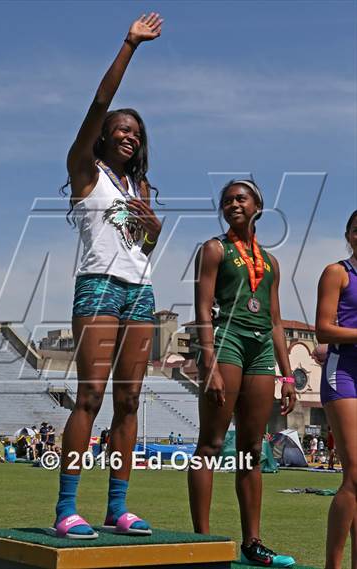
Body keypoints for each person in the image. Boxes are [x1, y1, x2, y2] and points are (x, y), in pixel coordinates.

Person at [52, 14, 163, 540]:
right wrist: (129, 45)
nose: (126, 134)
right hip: (98, 287)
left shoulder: (136, 188)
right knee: (90, 396)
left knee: (130, 401)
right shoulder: (85, 170)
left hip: (140, 292)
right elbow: (98, 104)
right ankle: (66, 507)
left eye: (134, 132)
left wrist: (153, 227)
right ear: (102, 137)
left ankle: (118, 506)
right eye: (120, 129)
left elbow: (142, 247)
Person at [189, 179, 296, 567]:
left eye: (241, 198)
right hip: (228, 338)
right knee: (212, 445)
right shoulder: (214, 249)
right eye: (227, 200)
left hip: (260, 347)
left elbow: (276, 322)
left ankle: (253, 542)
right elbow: (202, 307)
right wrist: (210, 361)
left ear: (258, 208)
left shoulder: (271, 262)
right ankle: (200, 544)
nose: (233, 203)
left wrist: (287, 377)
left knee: (253, 449)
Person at [316, 210, 357, 569]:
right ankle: (333, 564)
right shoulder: (338, 272)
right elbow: (323, 329)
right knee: (354, 474)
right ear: (349, 234)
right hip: (343, 370)